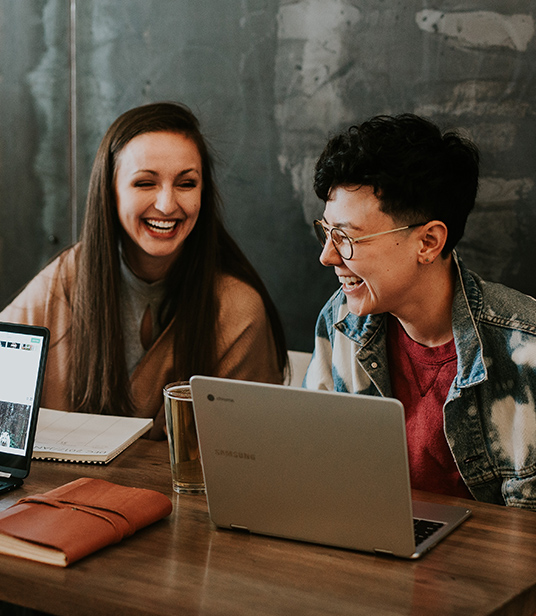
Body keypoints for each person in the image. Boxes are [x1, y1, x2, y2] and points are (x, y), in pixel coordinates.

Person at [1, 102, 288, 439]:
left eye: (186, 184)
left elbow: (250, 454)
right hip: (57, 490)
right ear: (111, 192)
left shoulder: (237, 309)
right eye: (144, 183)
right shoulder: (64, 280)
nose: (167, 205)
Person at [304, 113, 536, 510]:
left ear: (428, 242)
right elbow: (315, 470)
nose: (327, 256)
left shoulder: (525, 349)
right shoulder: (342, 320)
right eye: (326, 232)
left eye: (345, 237)